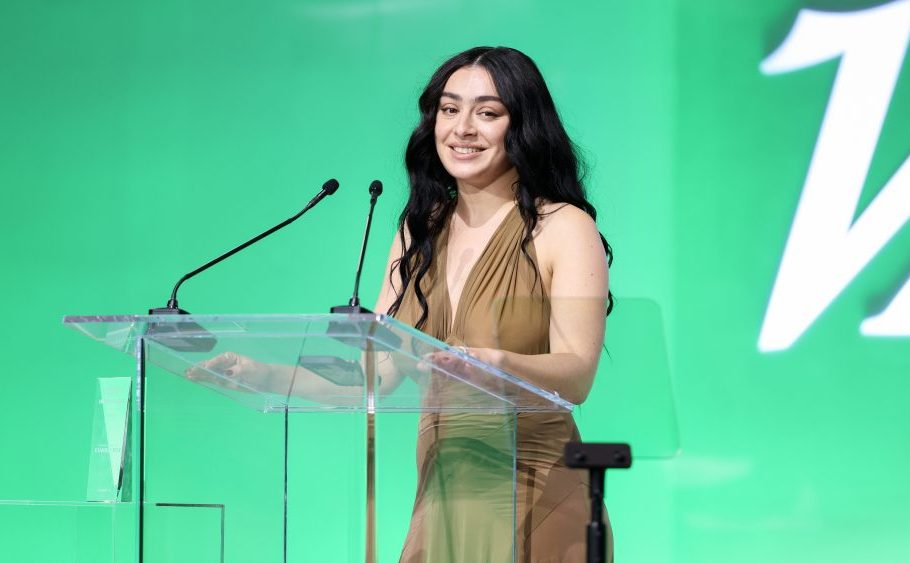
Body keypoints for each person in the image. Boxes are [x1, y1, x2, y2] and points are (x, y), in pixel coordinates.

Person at [374, 46, 613, 563]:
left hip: (535, 485)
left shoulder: (563, 226)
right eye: (449, 108)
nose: (462, 128)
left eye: (487, 112)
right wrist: (257, 373)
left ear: (522, 126)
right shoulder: (419, 230)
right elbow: (379, 373)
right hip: (444, 491)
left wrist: (495, 364)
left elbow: (577, 375)